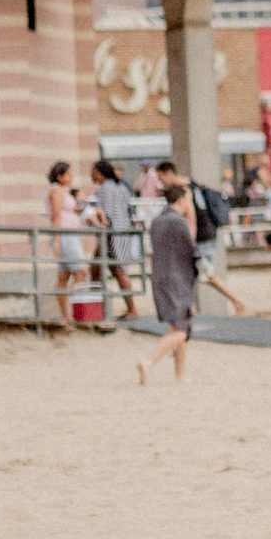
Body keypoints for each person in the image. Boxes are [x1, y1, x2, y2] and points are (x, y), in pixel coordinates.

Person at [153, 161, 250, 317]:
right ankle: (191, 308)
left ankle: (237, 301)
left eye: (160, 177)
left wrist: (190, 241)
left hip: (201, 237)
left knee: (206, 274)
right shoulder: (191, 184)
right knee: (194, 273)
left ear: (167, 173)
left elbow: (192, 217)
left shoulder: (185, 190)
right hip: (204, 235)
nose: (160, 181)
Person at [136, 180, 197, 385]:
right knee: (181, 331)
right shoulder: (179, 222)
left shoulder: (157, 221)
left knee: (178, 327)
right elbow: (190, 251)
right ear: (181, 200)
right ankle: (148, 361)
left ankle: (179, 374)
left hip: (161, 277)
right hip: (177, 279)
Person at [89, 158, 142, 320]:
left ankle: (101, 308)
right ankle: (105, 307)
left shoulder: (104, 189)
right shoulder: (121, 188)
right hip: (121, 232)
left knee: (109, 270)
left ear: (99, 173)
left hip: (111, 235)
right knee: (107, 270)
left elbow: (106, 214)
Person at [44, 161, 88, 324]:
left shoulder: (64, 191)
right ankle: (76, 312)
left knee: (64, 275)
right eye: (68, 175)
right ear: (59, 176)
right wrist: (56, 239)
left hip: (70, 235)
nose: (71, 178)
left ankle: (67, 314)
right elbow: (56, 216)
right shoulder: (56, 191)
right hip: (64, 235)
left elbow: (72, 210)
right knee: (80, 271)